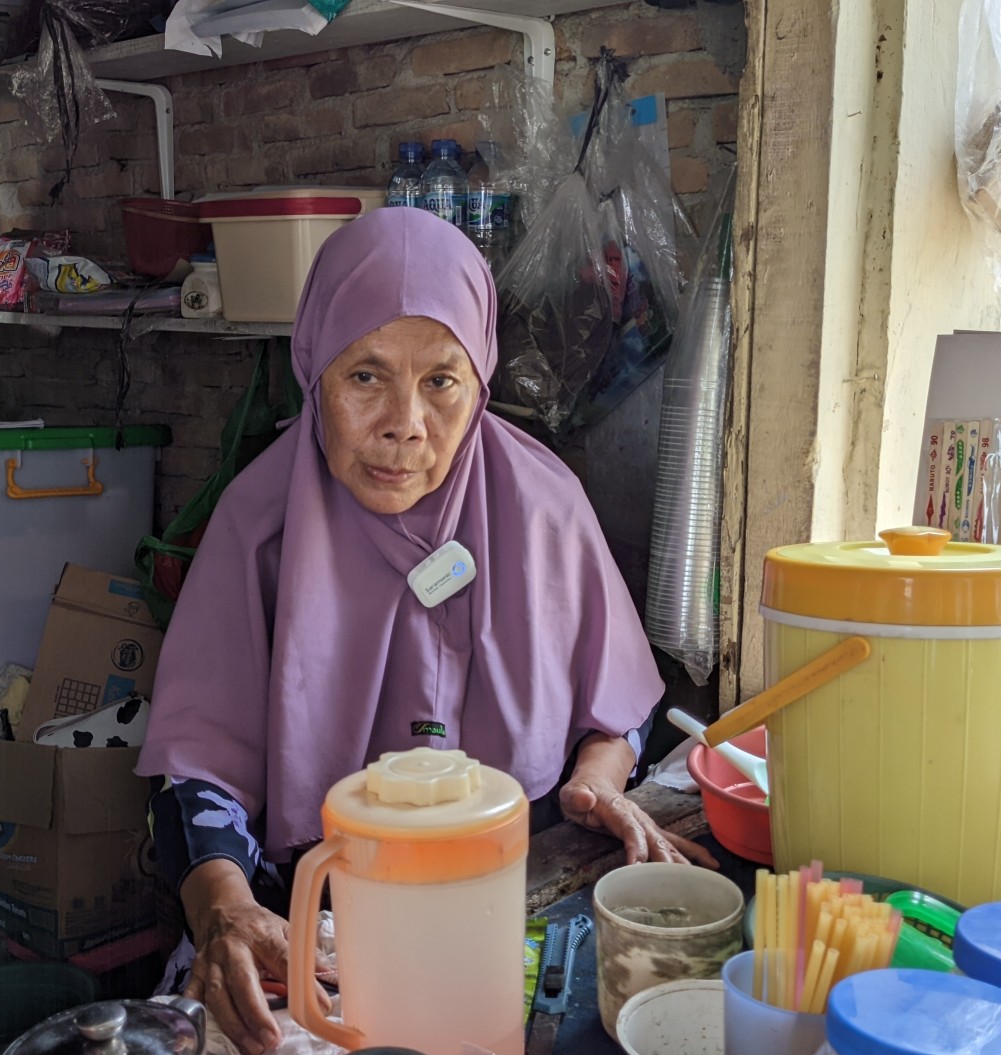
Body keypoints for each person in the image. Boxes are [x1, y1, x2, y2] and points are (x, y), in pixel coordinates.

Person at [137, 206, 716, 1055]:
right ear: (313, 372)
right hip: (310, 917)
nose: (405, 423)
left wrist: (597, 780)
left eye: (441, 381)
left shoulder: (543, 507)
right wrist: (224, 903)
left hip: (502, 901)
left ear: (479, 378)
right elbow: (196, 776)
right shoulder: (258, 526)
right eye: (365, 376)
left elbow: (616, 707)